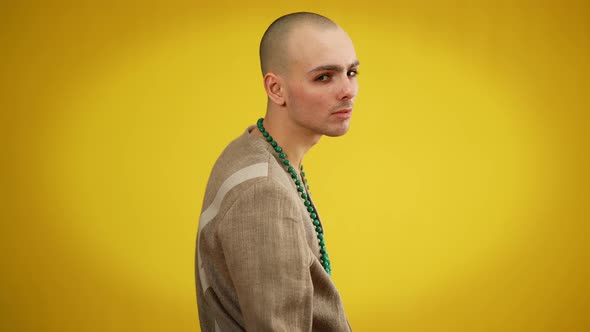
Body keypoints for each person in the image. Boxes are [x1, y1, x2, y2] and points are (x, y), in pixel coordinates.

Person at [196, 11, 359, 331]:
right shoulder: (264, 193)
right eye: (324, 77)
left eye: (351, 72)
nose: (347, 90)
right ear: (276, 89)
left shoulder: (251, 149)